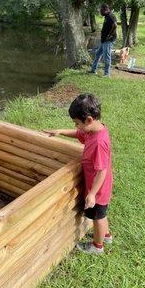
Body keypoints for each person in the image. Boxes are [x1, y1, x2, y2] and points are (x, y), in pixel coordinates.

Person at [44, 93, 113, 254]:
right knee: (101, 214)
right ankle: (106, 236)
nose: (76, 127)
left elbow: (102, 171)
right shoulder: (93, 130)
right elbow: (78, 134)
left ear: (89, 120)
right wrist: (60, 131)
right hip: (97, 186)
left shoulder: (98, 142)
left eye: (77, 123)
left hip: (99, 188)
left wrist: (92, 194)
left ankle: (97, 246)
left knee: (98, 216)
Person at [90, 4, 117, 77]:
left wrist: (109, 35)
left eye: (101, 11)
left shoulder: (111, 16)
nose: (100, 12)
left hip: (108, 40)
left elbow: (115, 25)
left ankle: (107, 74)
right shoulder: (106, 16)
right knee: (98, 54)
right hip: (104, 40)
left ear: (105, 10)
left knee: (106, 56)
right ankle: (93, 70)